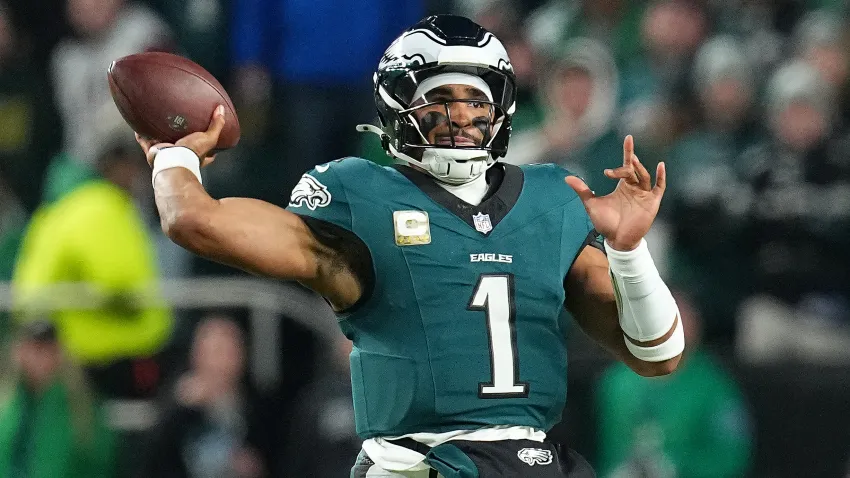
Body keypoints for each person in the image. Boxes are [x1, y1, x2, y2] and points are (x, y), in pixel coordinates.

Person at [135, 14, 683, 477]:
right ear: (400, 105)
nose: (461, 117)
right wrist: (174, 153)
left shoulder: (550, 199)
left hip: (526, 460)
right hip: (418, 462)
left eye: (475, 100)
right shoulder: (361, 197)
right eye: (440, 99)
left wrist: (630, 251)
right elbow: (193, 221)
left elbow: (658, 355)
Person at [596, 290, 753, 478]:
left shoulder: (715, 386)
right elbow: (601, 449)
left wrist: (677, 466)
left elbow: (732, 454)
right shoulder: (616, 383)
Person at [0, 320, 115, 477]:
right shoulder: (7, 408)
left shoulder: (82, 412)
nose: (37, 358)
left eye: (45, 350)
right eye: (32, 349)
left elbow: (101, 464)